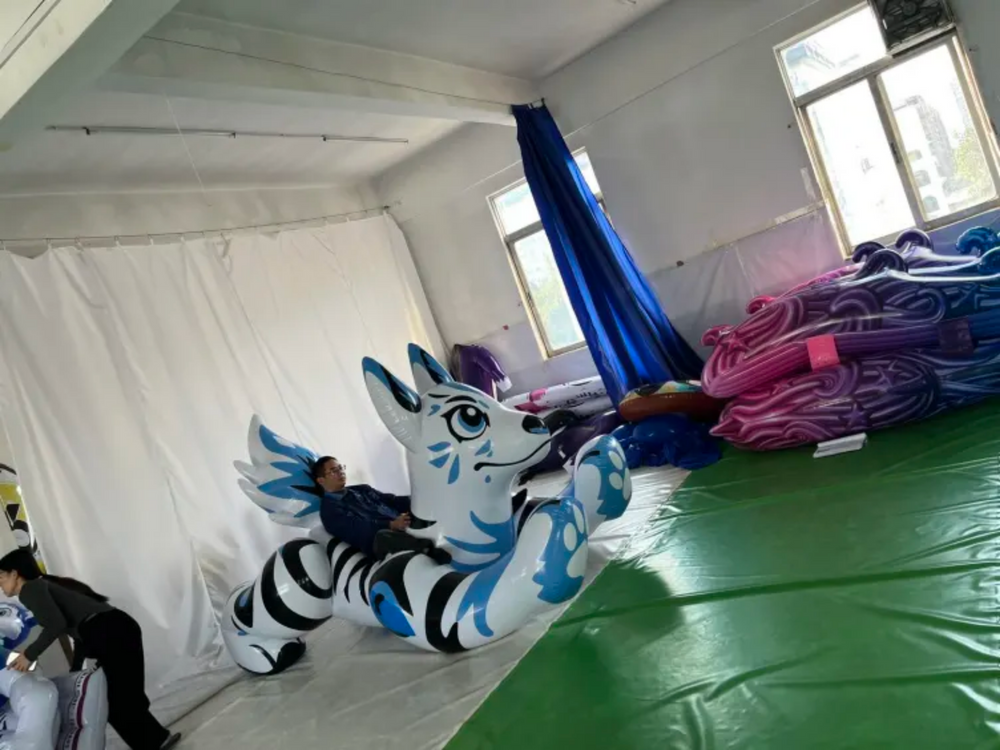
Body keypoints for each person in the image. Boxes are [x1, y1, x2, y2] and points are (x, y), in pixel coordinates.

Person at [0, 549, 181, 750]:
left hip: (110, 632)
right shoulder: (43, 586)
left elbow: (56, 624)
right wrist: (76, 669)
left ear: (15, 574)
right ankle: (156, 741)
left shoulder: (30, 590)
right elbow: (78, 627)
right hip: (115, 628)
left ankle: (154, 743)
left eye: (1, 576)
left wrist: (29, 655)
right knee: (119, 697)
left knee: (118, 699)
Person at [313, 456, 412, 557]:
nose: (341, 472)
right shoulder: (329, 510)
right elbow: (359, 529)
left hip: (403, 524)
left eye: (341, 468)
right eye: (334, 470)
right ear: (321, 480)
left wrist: (415, 500)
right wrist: (391, 524)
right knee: (383, 536)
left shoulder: (363, 489)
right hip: (385, 539)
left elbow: (392, 500)